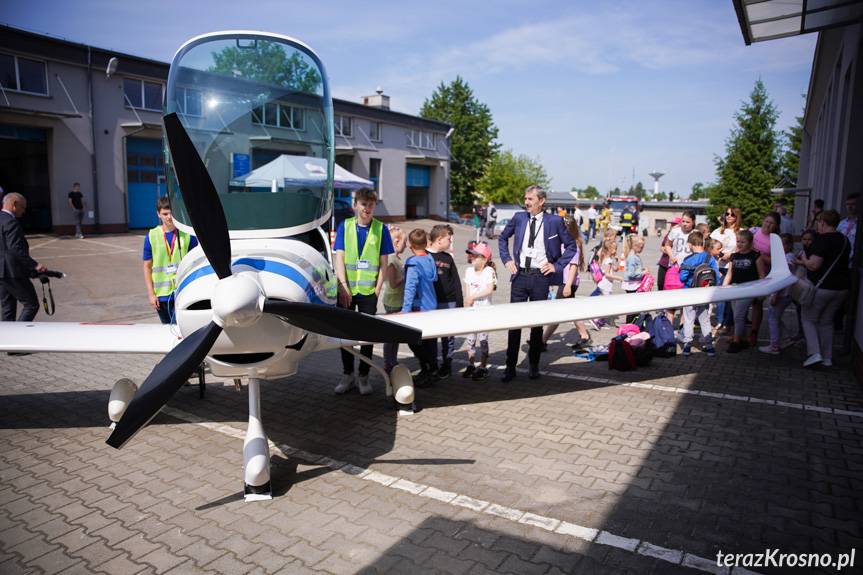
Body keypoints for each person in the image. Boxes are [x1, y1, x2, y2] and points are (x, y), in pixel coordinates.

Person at [498, 185, 577, 381]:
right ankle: (510, 367)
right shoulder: (519, 218)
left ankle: (533, 365)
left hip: (541, 279)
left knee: (536, 325)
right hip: (519, 276)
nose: (526, 202)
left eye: (530, 199)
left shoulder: (555, 221)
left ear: (541, 201)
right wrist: (507, 259)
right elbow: (502, 238)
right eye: (525, 198)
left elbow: (571, 246)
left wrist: (557, 266)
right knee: (514, 323)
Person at [333, 188, 395, 395]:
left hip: (369, 291)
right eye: (363, 204)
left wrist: (377, 290)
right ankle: (348, 374)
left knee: (367, 334)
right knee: (345, 334)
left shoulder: (380, 229)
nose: (367, 208)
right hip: (347, 290)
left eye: (370, 205)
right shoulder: (346, 226)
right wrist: (342, 285)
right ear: (355, 205)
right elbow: (339, 257)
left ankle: (364, 375)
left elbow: (383, 264)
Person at [797, 210, 851, 367]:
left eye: (819, 222)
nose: (818, 226)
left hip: (822, 287)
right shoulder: (845, 240)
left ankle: (814, 353)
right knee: (827, 321)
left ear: (823, 222)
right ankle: (827, 357)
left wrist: (804, 259)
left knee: (808, 319)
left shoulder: (822, 240)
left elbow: (814, 265)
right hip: (842, 288)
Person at [143, 197, 198, 325]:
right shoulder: (151, 236)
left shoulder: (188, 236)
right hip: (161, 296)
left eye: (172, 213)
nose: (169, 217)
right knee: (167, 330)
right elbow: (147, 267)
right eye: (165, 214)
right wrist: (151, 294)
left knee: (182, 329)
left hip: (183, 293)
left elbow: (196, 263)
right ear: (158, 214)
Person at [542, 216, 590, 349]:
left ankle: (542, 341)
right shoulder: (564, 242)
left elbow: (573, 266)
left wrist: (568, 285)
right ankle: (584, 336)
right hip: (564, 281)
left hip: (568, 282)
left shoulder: (573, 244)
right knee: (569, 310)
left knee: (559, 312)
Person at [0, 193, 46, 325]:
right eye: (23, 207)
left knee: (7, 308)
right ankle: (18, 334)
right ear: (14, 204)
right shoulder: (11, 222)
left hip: (1, 273)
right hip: (12, 271)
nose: (24, 211)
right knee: (31, 304)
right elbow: (16, 249)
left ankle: (6, 341)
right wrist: (35, 265)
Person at [401, 228, 439, 384]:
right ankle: (430, 370)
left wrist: (405, 310)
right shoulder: (430, 259)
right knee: (429, 343)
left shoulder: (413, 263)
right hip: (431, 306)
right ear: (426, 243)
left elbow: (410, 287)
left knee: (415, 342)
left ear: (410, 245)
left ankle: (428, 371)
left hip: (418, 308)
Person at [428, 224, 464, 378]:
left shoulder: (448, 258)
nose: (450, 242)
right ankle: (432, 365)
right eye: (449, 239)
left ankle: (447, 365)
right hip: (431, 304)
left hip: (448, 302)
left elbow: (456, 281)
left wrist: (459, 303)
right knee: (431, 335)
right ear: (440, 239)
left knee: (448, 337)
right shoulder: (425, 256)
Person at [678, 232, 718, 356]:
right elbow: (716, 275)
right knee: (705, 320)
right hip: (704, 294)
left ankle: (687, 346)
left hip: (690, 293)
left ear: (690, 245)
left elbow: (682, 277)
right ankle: (709, 346)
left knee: (689, 320)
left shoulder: (688, 259)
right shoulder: (709, 258)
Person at [724, 230, 763, 353]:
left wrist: (761, 292)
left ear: (750, 243)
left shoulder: (756, 256)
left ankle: (736, 342)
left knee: (739, 316)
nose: (739, 244)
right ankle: (743, 338)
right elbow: (729, 274)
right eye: (738, 241)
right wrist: (724, 287)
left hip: (748, 290)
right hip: (734, 289)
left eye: (743, 242)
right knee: (738, 316)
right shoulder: (734, 256)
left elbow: (762, 275)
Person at [462, 242, 496, 380]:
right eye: (472, 255)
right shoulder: (469, 271)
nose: (472, 258)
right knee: (470, 340)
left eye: (476, 256)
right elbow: (467, 290)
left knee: (483, 340)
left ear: (485, 259)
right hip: (472, 312)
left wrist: (472, 297)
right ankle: (471, 365)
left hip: (484, 312)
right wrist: (467, 303)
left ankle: (483, 367)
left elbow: (489, 289)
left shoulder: (489, 271)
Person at [759, 233, 797, 355]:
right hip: (784, 293)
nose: (781, 246)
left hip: (782, 294)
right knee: (776, 317)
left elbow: (782, 277)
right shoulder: (787, 256)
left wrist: (775, 295)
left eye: (784, 243)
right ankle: (786, 339)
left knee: (772, 319)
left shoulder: (787, 258)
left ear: (790, 245)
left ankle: (774, 346)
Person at [748, 212, 780, 346]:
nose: (768, 224)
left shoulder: (775, 239)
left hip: (762, 274)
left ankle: (754, 333)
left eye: (771, 223)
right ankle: (738, 332)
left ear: (776, 226)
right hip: (746, 271)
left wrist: (759, 254)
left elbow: (776, 261)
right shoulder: (753, 231)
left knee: (757, 304)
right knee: (742, 303)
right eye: (766, 221)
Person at [710, 207, 741, 331]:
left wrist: (731, 256)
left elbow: (742, 248)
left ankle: (729, 322)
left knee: (730, 297)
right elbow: (709, 245)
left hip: (732, 267)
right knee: (720, 295)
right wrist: (717, 254)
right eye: (727, 214)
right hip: (718, 266)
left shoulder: (740, 232)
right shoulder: (718, 231)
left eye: (732, 214)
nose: (729, 216)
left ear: (737, 216)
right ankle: (720, 321)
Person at [382, 226, 406, 374]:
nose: (406, 245)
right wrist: (407, 274)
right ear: (397, 242)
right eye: (405, 241)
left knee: (395, 336)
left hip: (397, 301)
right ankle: (388, 362)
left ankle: (392, 360)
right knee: (391, 336)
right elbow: (393, 283)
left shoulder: (396, 258)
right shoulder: (391, 259)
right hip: (392, 302)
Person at [837, 193, 857, 263]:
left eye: (853, 204)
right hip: (842, 261)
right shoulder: (842, 223)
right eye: (848, 204)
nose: (850, 207)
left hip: (856, 263)